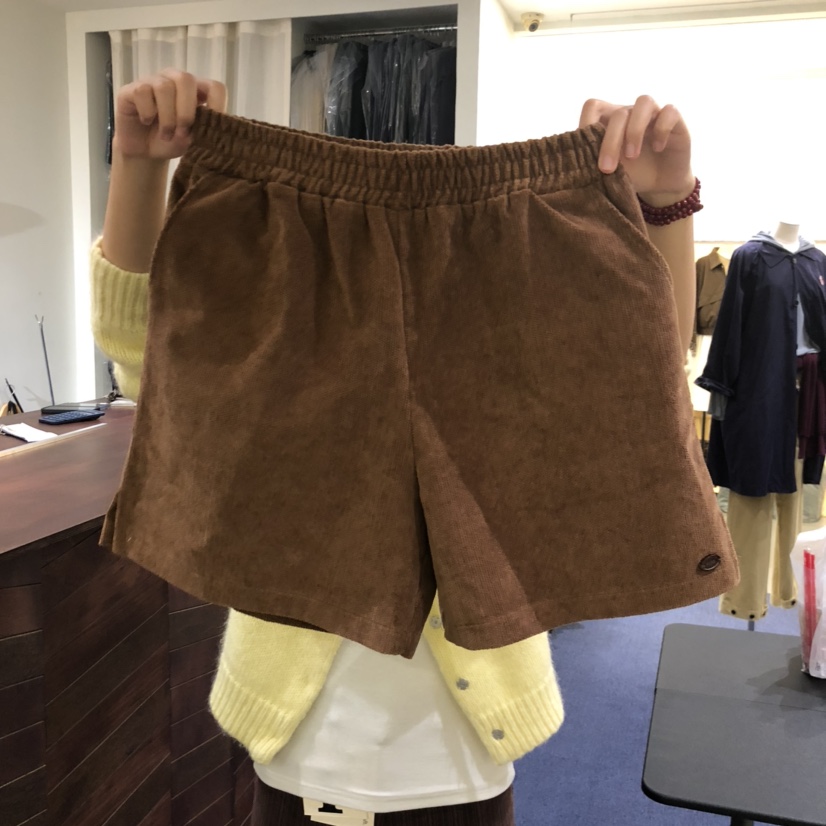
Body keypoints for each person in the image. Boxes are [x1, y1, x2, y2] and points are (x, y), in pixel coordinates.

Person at [92, 69, 700, 825]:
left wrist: (666, 198)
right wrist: (139, 164)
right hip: (298, 760)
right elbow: (144, 353)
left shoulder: (497, 319)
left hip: (467, 766)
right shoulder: (295, 322)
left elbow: (647, 376)